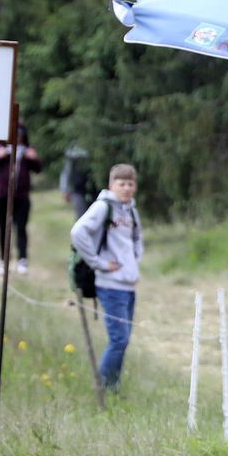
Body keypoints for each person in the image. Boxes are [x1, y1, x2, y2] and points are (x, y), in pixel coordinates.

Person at [70, 165, 143, 393]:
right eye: (121, 184)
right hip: (110, 285)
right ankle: (102, 388)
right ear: (111, 185)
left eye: (130, 184)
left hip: (128, 284)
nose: (126, 188)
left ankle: (113, 387)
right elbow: (78, 231)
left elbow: (137, 239)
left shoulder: (131, 210)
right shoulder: (103, 207)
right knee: (119, 339)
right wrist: (98, 263)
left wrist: (133, 261)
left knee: (123, 340)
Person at [0, 125, 43, 274]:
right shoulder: (1, 149)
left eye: (20, 135)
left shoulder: (27, 151)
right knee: (3, 228)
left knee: (21, 228)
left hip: (21, 196)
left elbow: (39, 168)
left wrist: (33, 158)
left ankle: (22, 259)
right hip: (3, 196)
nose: (17, 137)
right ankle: (3, 260)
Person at [59, 144, 97, 220]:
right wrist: (65, 190)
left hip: (96, 189)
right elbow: (67, 171)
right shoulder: (73, 149)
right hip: (77, 189)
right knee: (81, 218)